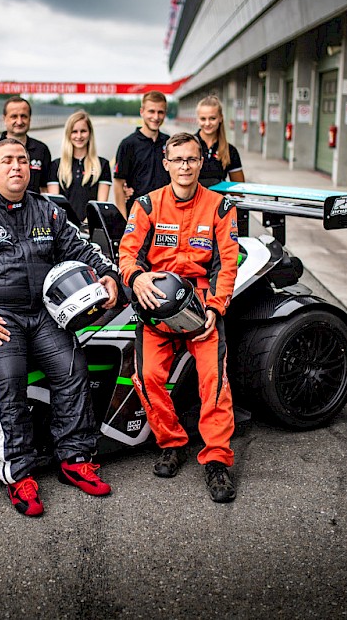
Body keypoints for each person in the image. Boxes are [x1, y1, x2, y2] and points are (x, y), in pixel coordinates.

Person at [0, 138, 120, 517]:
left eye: (22, 160)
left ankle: (75, 459)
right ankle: (18, 474)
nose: (17, 166)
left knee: (73, 369)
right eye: (7, 160)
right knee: (10, 380)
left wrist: (107, 272)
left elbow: (81, 247)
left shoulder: (47, 210)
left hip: (44, 314)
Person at [118, 132, 240, 503]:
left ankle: (216, 459)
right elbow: (127, 255)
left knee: (214, 381)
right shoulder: (146, 205)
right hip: (156, 306)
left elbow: (227, 263)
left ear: (201, 162)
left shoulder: (221, 207)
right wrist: (137, 278)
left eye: (191, 159)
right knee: (147, 377)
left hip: (202, 309)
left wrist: (215, 308)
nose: (185, 166)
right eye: (178, 160)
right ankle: (172, 443)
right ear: (166, 164)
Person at [0, 96, 52, 194]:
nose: (19, 121)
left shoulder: (41, 149)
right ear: (4, 118)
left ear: (30, 119)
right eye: (14, 116)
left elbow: (44, 188)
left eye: (24, 116)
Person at [46, 110, 112, 223]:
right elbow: (54, 204)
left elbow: (100, 204)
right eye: (74, 131)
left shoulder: (102, 165)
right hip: (64, 225)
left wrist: (85, 225)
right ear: (68, 134)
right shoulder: (56, 166)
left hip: (90, 225)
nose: (79, 136)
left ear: (90, 133)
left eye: (83, 131)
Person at [113, 90, 170, 218]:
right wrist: (123, 220)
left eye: (160, 112)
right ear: (142, 112)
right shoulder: (128, 144)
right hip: (137, 213)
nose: (156, 117)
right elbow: (118, 183)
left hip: (165, 213)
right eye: (151, 111)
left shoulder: (170, 142)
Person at [196, 95, 246, 188]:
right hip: (193, 198)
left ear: (221, 118)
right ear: (197, 119)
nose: (207, 123)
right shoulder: (187, 146)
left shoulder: (230, 150)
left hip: (218, 197)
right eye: (203, 119)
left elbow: (239, 189)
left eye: (212, 118)